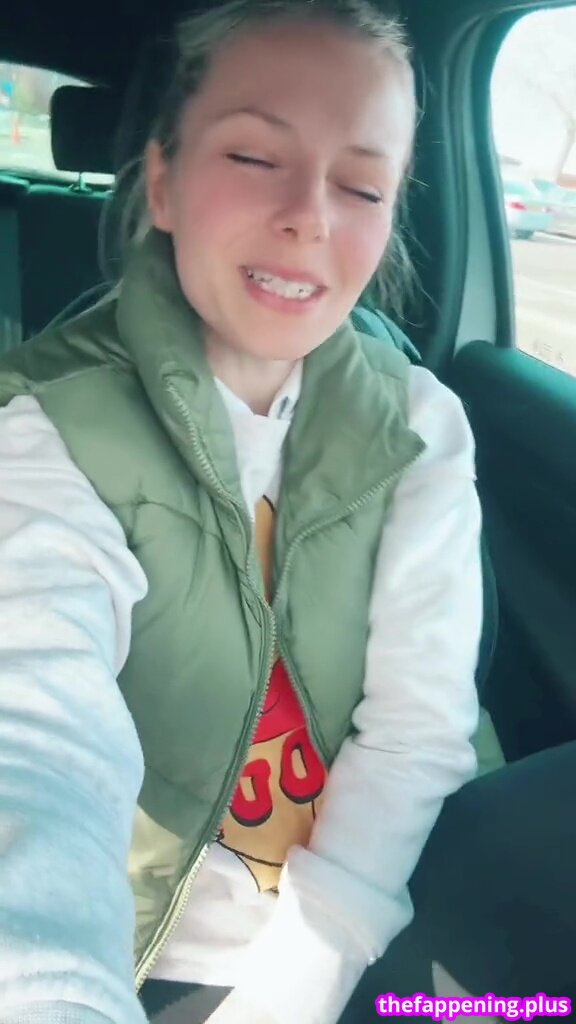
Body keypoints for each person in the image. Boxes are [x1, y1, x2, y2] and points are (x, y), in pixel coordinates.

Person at [0, 1, 504, 1021]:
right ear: (161, 182)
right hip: (145, 956)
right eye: (254, 157)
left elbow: (417, 729)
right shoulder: (44, 426)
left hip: (379, 913)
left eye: (361, 185)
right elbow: (34, 739)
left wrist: (297, 986)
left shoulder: (421, 426)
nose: (311, 215)